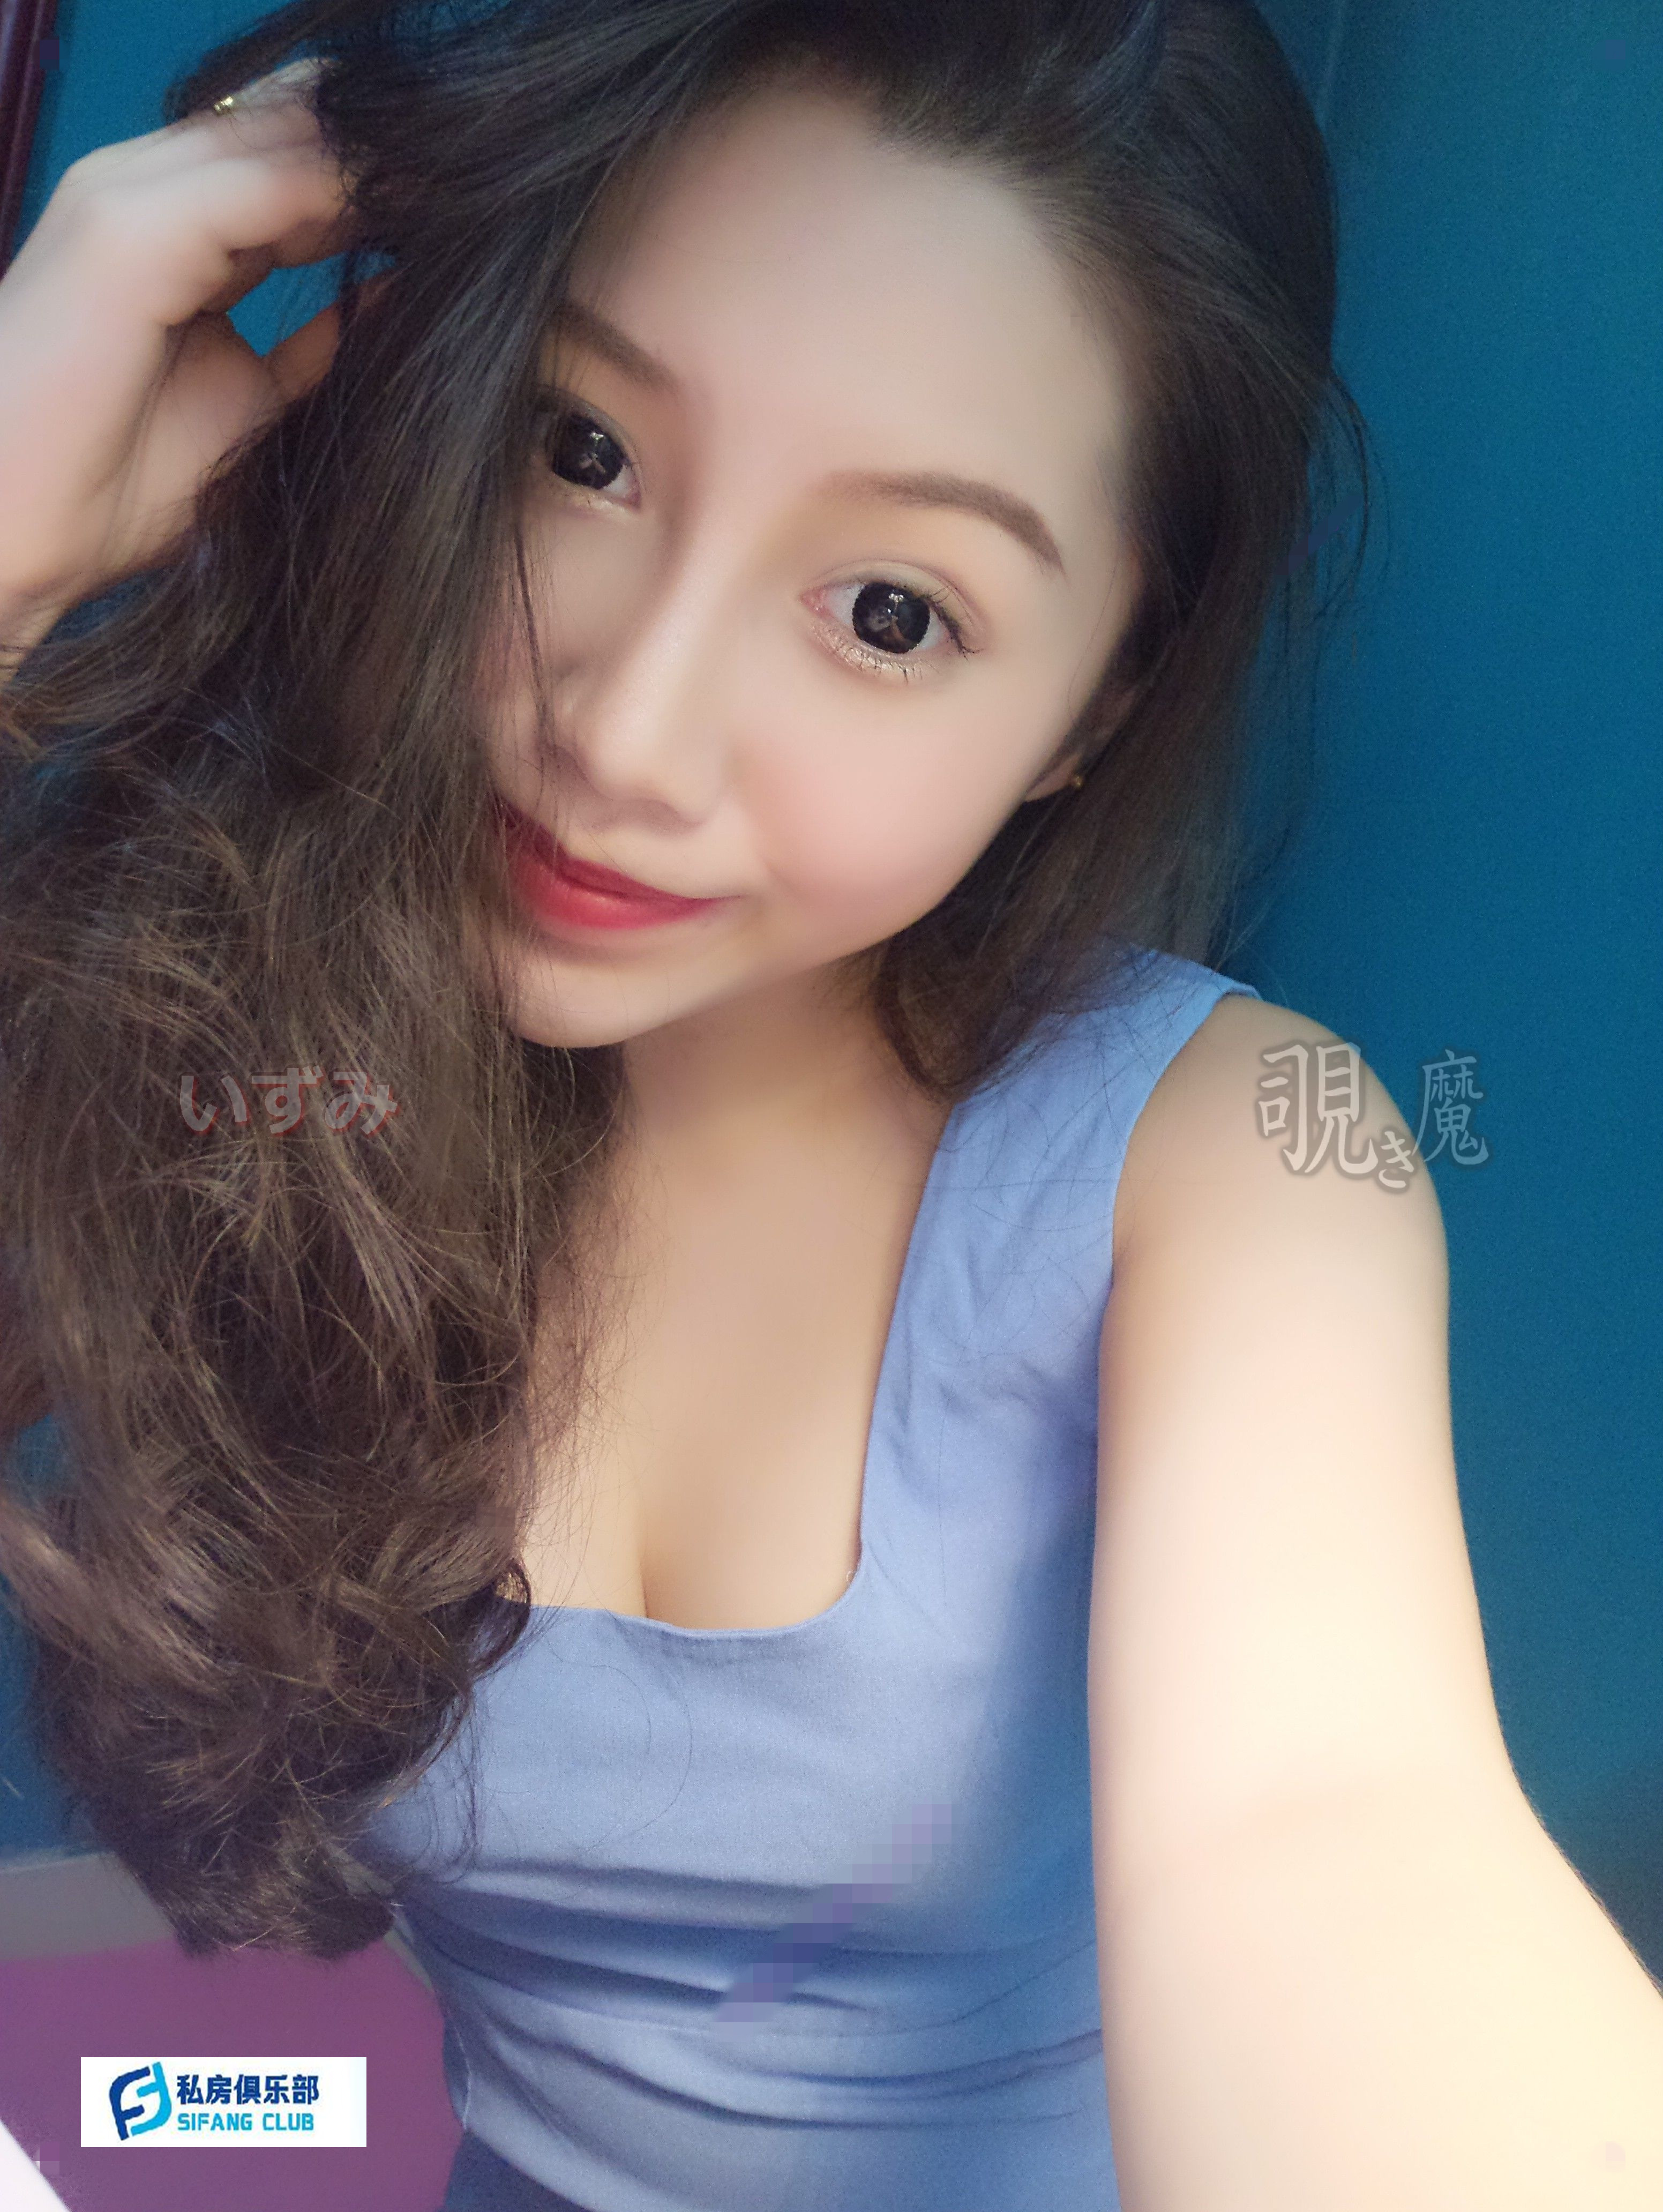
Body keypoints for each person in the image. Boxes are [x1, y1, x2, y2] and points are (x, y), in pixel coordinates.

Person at [1, 2, 1661, 2207]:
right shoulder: (251, 1051)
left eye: (889, 609)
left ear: (1094, 707)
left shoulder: (1235, 1157)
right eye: (583, 450)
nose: (626, 731)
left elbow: (1336, 1827)